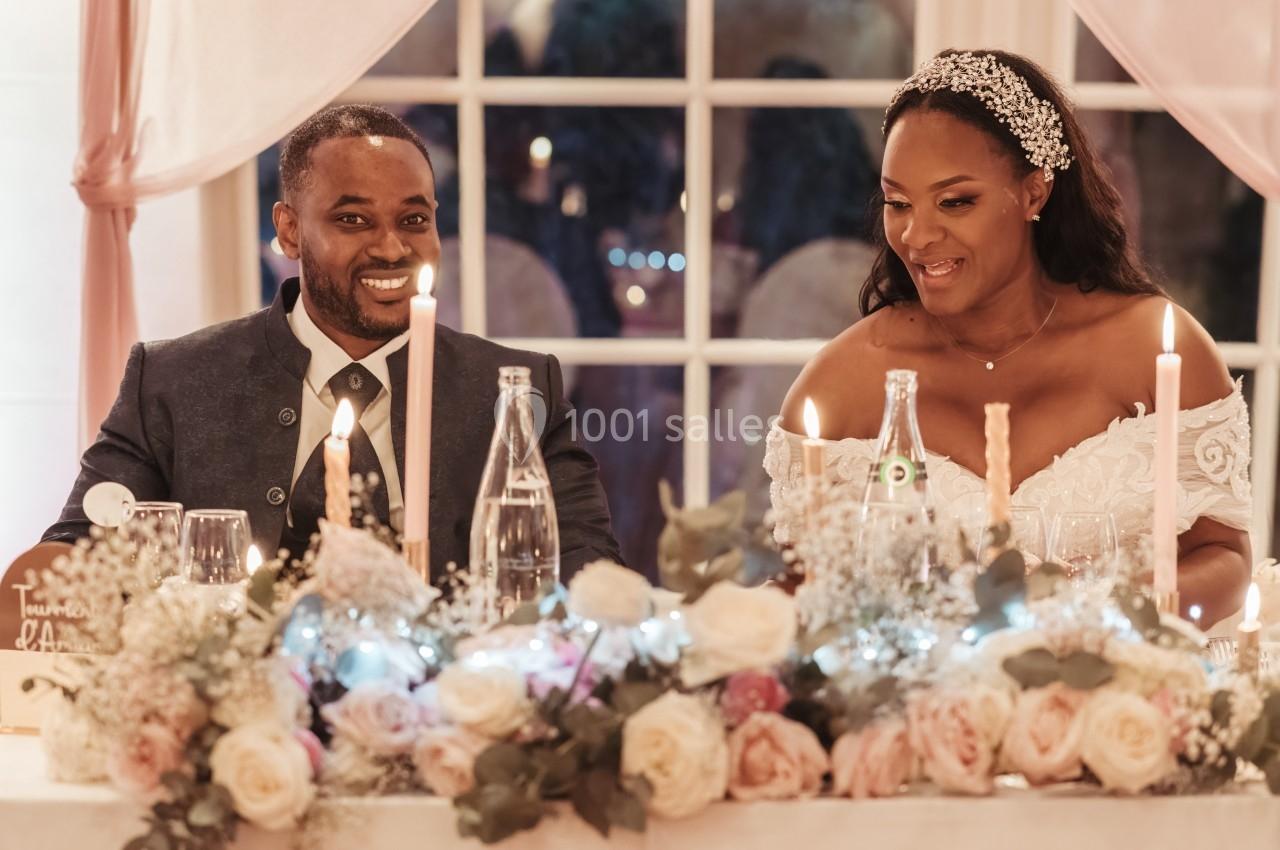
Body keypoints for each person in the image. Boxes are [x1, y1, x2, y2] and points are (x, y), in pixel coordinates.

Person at [765, 50, 1252, 626]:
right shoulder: (842, 383)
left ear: (1034, 193)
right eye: (898, 203)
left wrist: (1103, 618)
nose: (917, 235)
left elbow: (1223, 557)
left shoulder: (1157, 349)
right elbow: (802, 592)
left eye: (955, 202)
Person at [44, 104, 623, 588]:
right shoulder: (173, 381)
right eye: (353, 220)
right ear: (290, 230)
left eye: (413, 219)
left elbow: (589, 570)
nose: (392, 249)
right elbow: (74, 560)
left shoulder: (513, 390)